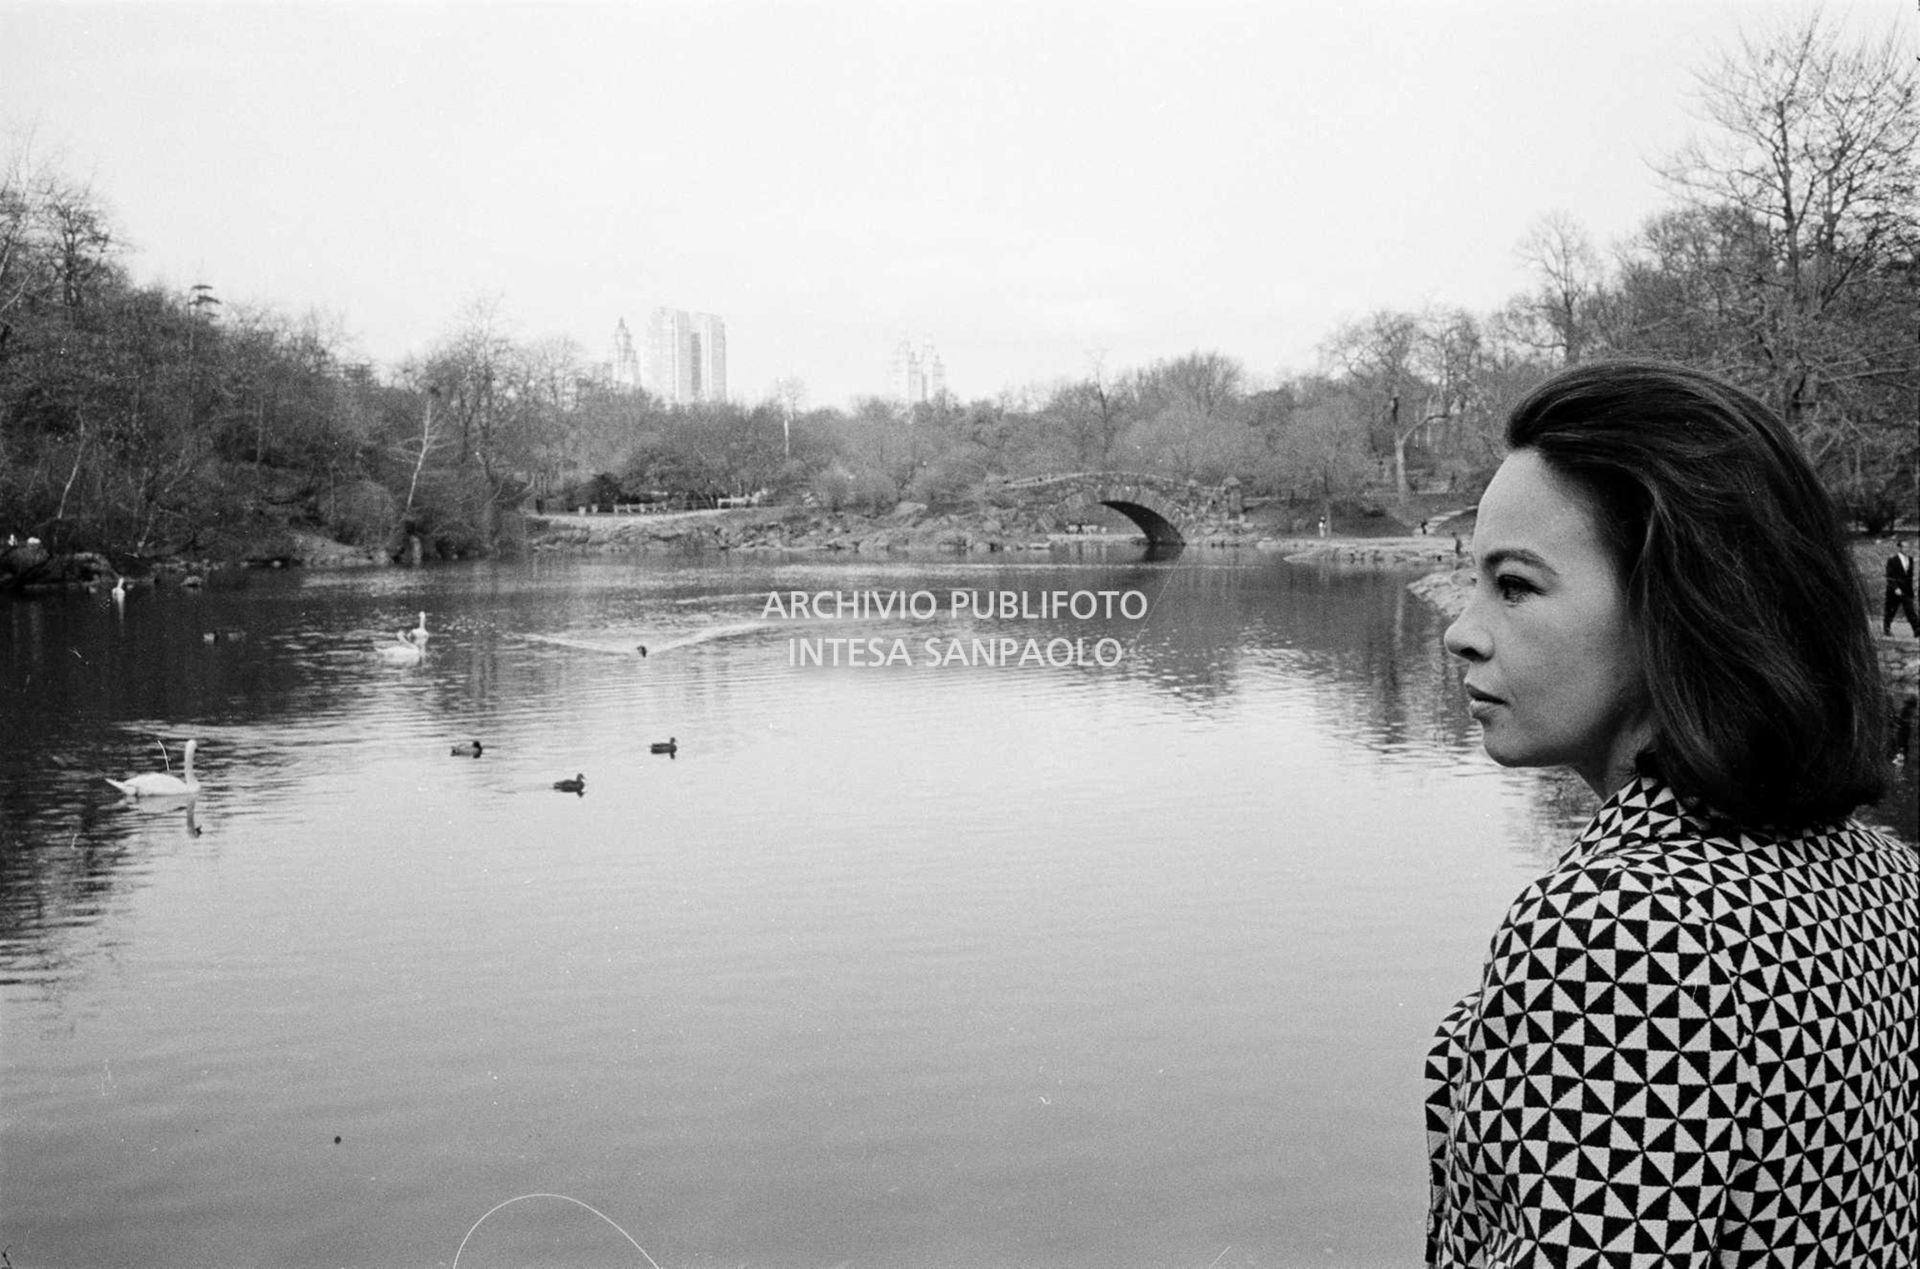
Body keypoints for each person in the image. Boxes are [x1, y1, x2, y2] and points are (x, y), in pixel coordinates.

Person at [1429, 359, 1918, 1266]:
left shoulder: (1622, 933)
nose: (1461, 627)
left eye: (1516, 585)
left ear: (1679, 605)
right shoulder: (1887, 873)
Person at [1885, 537, 1917, 637]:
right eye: (1904, 546)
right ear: (1900, 547)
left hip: (1906, 591)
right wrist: (1895, 588)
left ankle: (1917, 630)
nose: (1906, 548)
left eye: (1908, 546)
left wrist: (1912, 589)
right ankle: (1886, 629)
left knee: (1910, 610)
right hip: (1895, 590)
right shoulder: (1892, 560)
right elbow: (1889, 576)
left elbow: (1910, 577)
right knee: (1891, 610)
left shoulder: (1910, 560)